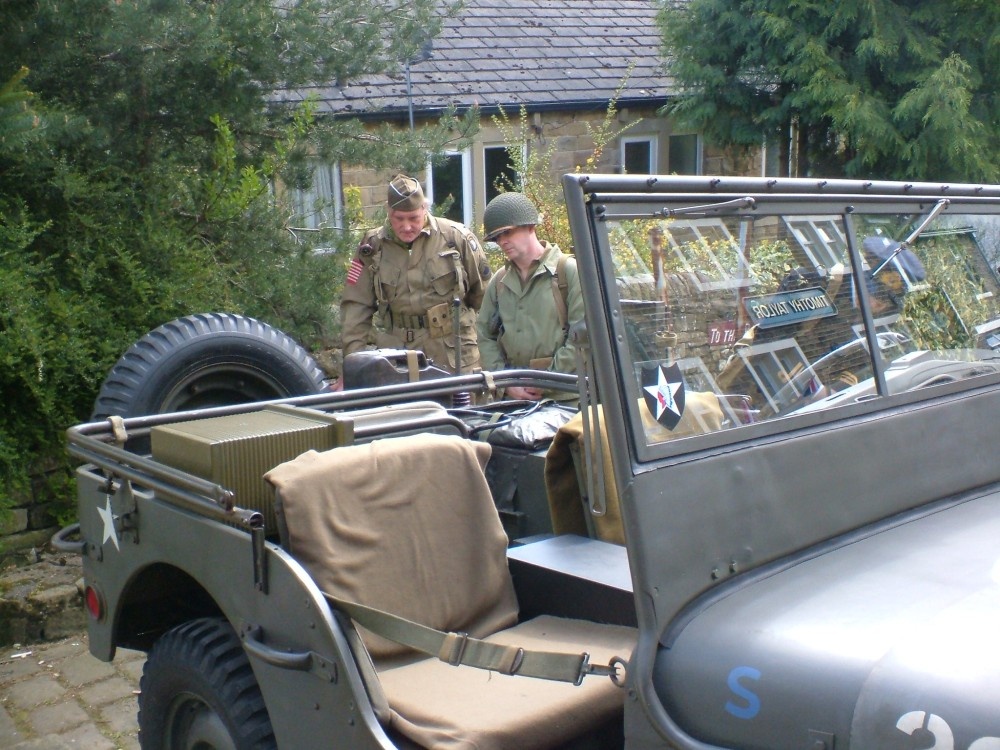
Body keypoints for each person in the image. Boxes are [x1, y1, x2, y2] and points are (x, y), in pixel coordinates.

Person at [340, 174, 492, 374]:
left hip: (454, 354)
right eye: (399, 219)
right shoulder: (372, 247)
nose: (406, 226)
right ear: (388, 211)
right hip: (398, 357)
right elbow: (355, 308)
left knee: (462, 406)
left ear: (424, 209)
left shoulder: (456, 238)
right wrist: (353, 367)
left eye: (413, 218)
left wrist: (496, 360)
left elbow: (487, 300)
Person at [476, 192, 584, 401]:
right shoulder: (500, 281)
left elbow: (583, 338)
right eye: (497, 237)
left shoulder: (568, 272)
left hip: (565, 397)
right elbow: (484, 335)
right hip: (514, 398)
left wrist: (545, 380)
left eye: (508, 233)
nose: (502, 242)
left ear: (530, 227)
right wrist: (506, 384)